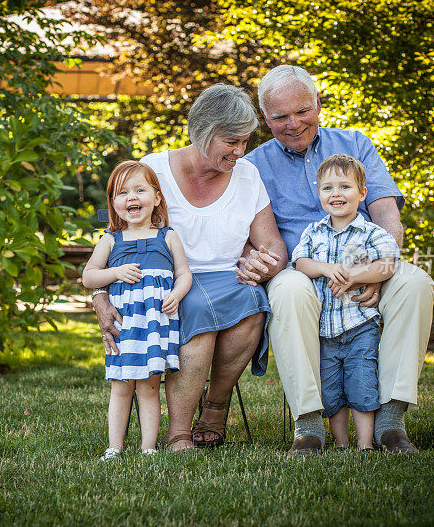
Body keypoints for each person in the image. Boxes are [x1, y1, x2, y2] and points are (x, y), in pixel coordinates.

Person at [244, 65, 434, 456]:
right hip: (303, 269)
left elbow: (386, 214)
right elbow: (246, 235)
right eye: (279, 116)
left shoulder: (355, 143)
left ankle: (391, 421)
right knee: (290, 291)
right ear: (264, 118)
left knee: (415, 283)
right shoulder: (254, 165)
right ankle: (309, 425)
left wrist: (378, 272)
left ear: (318, 103)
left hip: (366, 264)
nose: (293, 124)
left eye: (301, 111)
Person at [92, 84, 288, 451]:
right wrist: (100, 295)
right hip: (166, 283)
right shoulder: (153, 170)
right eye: (231, 142)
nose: (240, 152)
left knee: (253, 304)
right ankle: (178, 431)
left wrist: (266, 263)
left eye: (245, 141)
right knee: (196, 305)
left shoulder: (247, 175)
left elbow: (272, 241)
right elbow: (114, 236)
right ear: (202, 133)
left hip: (229, 277)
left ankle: (214, 407)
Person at [83, 160, 192, 459]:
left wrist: (178, 294)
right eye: (122, 192)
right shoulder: (110, 240)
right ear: (114, 203)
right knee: (121, 386)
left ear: (156, 197)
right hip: (126, 324)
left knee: (148, 387)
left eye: (140, 190)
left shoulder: (167, 236)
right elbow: (89, 276)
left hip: (156, 323)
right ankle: (114, 447)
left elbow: (184, 274)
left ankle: (148, 448)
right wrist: (115, 273)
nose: (131, 197)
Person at [292, 154, 400, 450]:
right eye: (327, 188)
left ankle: (365, 445)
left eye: (345, 187)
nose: (336, 194)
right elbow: (300, 262)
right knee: (331, 392)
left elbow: (388, 264)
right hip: (325, 330)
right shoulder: (313, 232)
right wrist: (324, 268)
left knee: (362, 384)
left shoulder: (371, 233)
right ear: (319, 194)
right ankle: (340, 443)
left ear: (362, 193)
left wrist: (355, 274)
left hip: (359, 325)